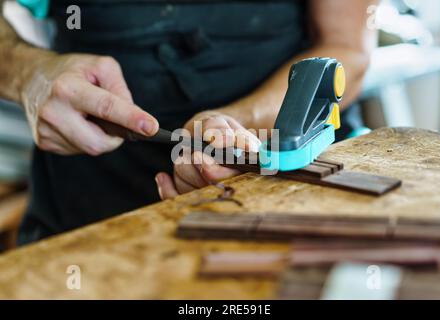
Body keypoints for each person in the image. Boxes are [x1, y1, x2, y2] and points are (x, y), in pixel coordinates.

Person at [0, 0, 377, 244]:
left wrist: (232, 127)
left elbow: (347, 48)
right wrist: (28, 72)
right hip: (91, 208)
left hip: (292, 197)